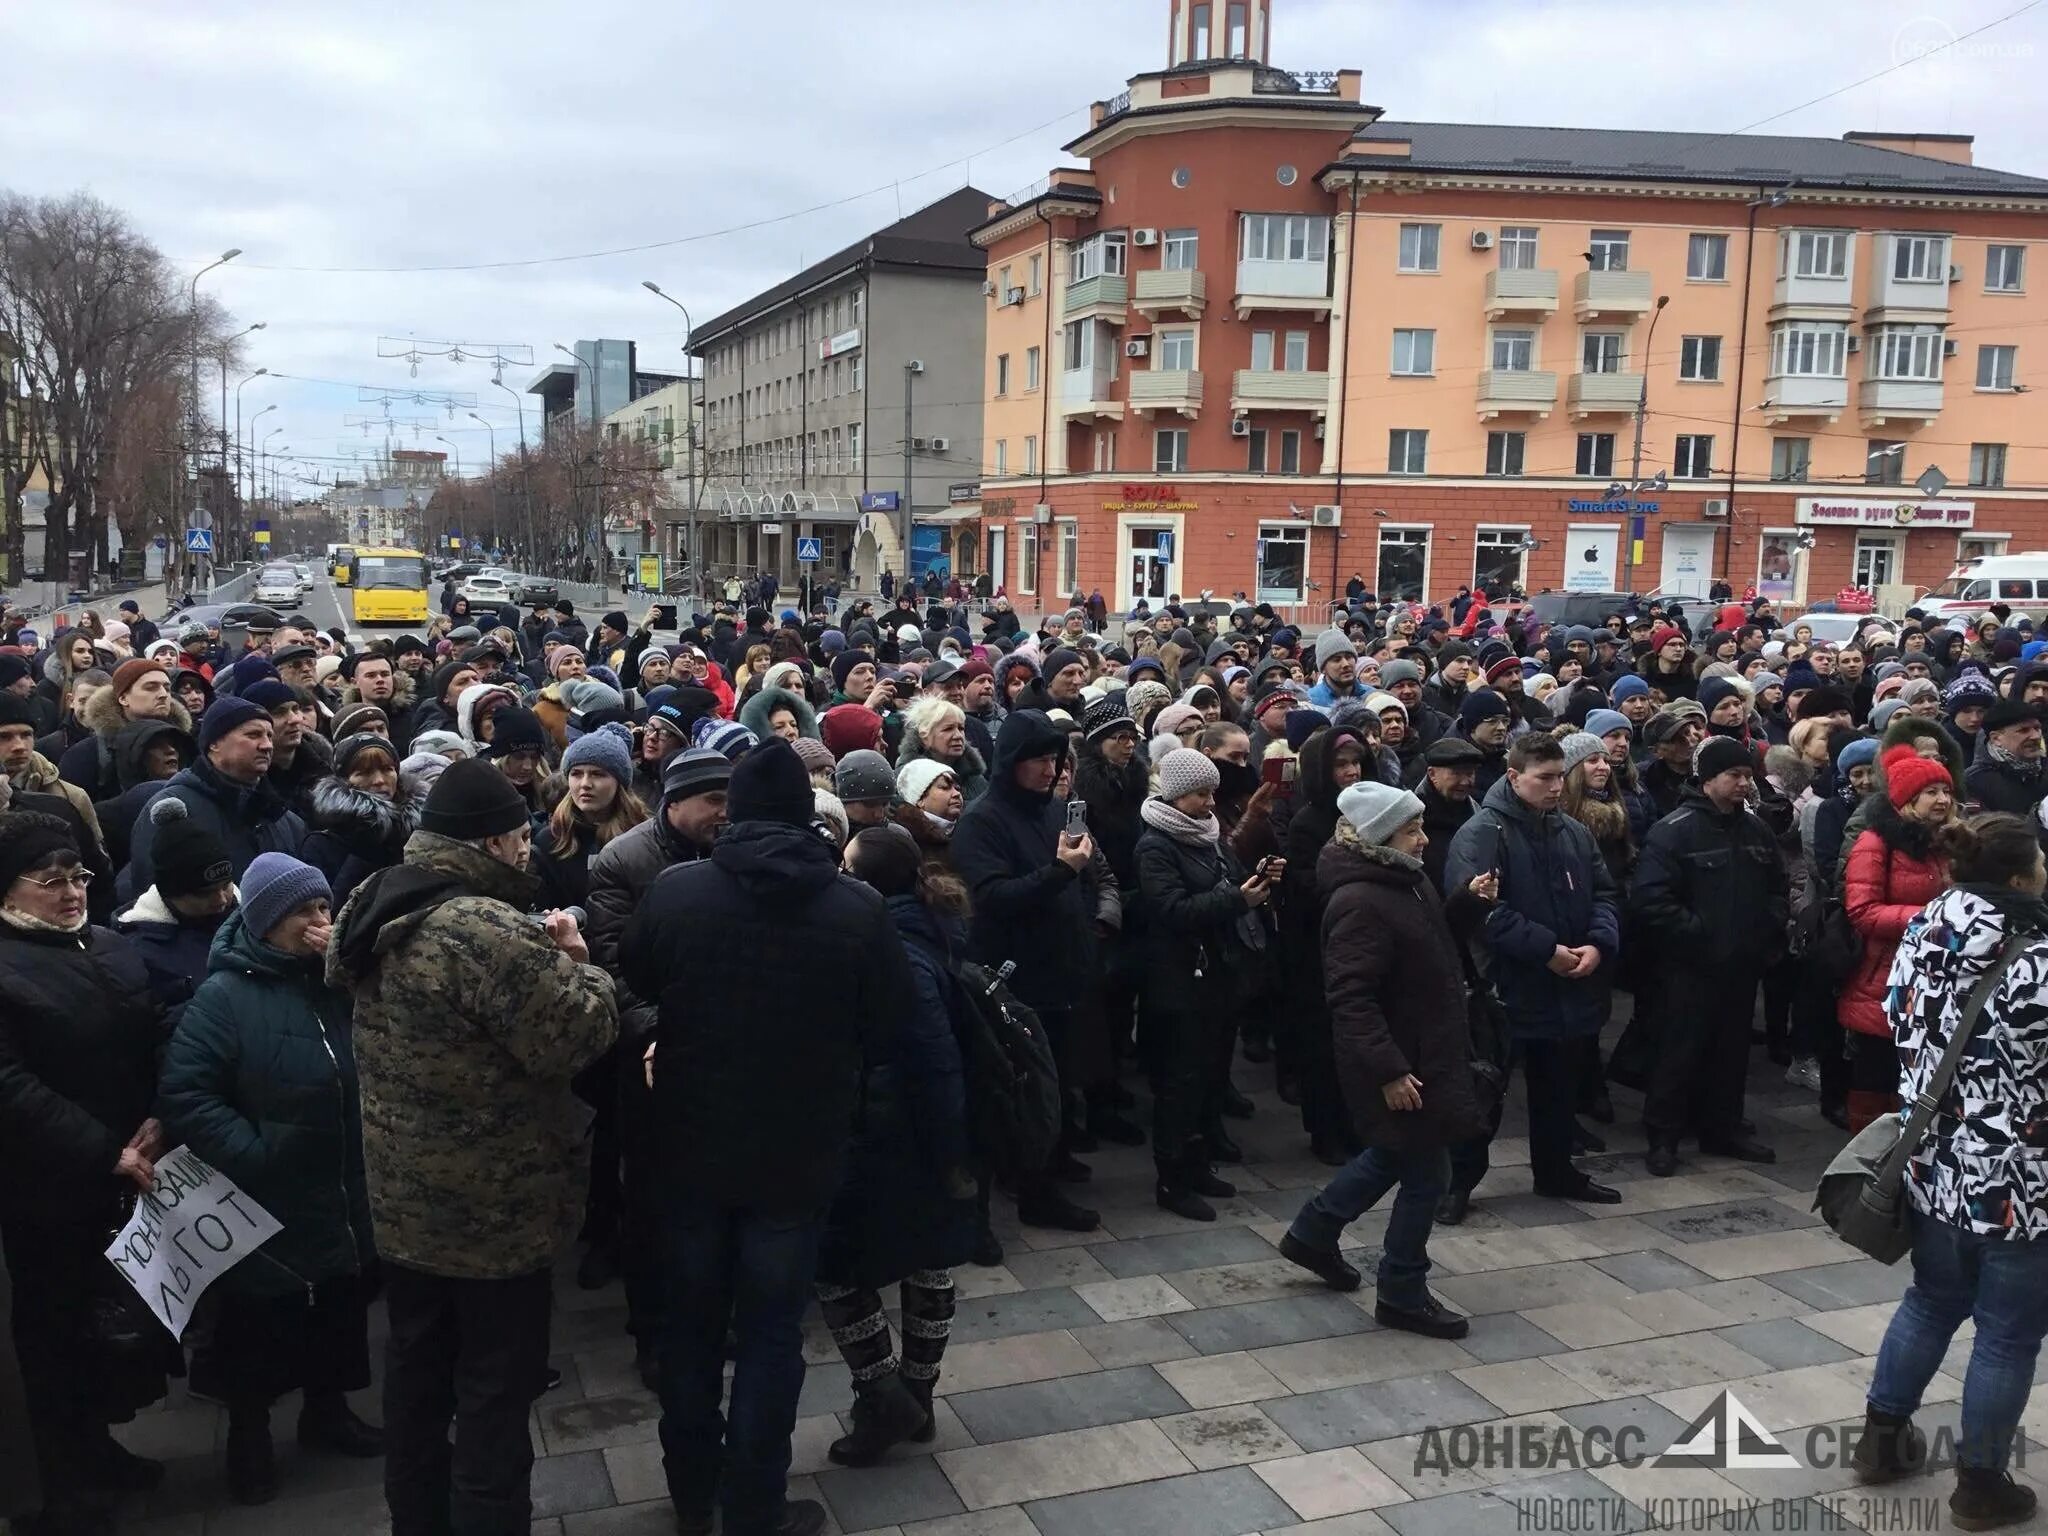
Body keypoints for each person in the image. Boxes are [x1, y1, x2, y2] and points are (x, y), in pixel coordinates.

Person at [620, 741, 907, 1536]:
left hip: (689, 1144)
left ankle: (691, 1493)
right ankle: (754, 1506)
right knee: (773, 1334)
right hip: (797, 1148)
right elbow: (889, 1024)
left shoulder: (679, 892)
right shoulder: (856, 908)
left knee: (692, 1326)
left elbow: (635, 978)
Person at [329, 759, 618, 1536]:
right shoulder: (481, 929)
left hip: (402, 1202)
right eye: (522, 838)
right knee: (496, 1392)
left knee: (416, 1379)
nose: (529, 851)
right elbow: (576, 1037)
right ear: (492, 841)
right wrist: (582, 968)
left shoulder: (373, 898)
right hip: (497, 1212)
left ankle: (416, 1521)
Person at [158, 854, 382, 1506]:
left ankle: (328, 1410)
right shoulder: (224, 997)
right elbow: (187, 1094)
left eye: (323, 908)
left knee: (340, 1302)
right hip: (266, 1195)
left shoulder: (338, 980)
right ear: (265, 922)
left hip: (340, 1183)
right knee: (259, 1323)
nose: (320, 921)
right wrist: (255, 1154)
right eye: (304, 912)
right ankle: (250, 1438)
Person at [1855, 813, 2048, 1528]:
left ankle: (1882, 1439)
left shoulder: (1927, 929)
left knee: (1932, 1299)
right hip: (2022, 1182)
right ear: (2020, 877)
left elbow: (1896, 1017)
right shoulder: (2037, 961)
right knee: (2007, 1333)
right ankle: (1980, 1484)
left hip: (1933, 1159)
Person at [0, 811, 173, 1533]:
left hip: (128, 1170)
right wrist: (106, 1149)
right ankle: (59, 1484)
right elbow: (9, 1084)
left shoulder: (104, 942)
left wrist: (164, 1115)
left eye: (77, 877)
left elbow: (157, 1028)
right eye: (51, 882)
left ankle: (100, 1447)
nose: (72, 892)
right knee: (54, 1337)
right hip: (49, 1188)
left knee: (109, 1331)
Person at [1277, 781, 1489, 1340]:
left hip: (1423, 1051)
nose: (1424, 839)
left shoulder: (1405, 879)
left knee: (1393, 1156)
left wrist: (1466, 904)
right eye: (1412, 829)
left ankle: (1313, 1233)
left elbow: (1432, 944)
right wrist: (1390, 1071)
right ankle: (1401, 1291)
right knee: (1428, 1172)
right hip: (1399, 1062)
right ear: (1381, 837)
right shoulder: (1359, 901)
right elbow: (1351, 998)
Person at [811, 826, 976, 1467]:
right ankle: (916, 1399)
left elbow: (931, 1059)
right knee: (925, 1260)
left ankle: (887, 1398)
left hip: (893, 1135)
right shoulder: (923, 926)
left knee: (837, 1267)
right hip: (917, 1135)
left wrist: (945, 1148)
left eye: (850, 866)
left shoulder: (897, 950)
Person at [1443, 734, 1623, 1209]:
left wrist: (1597, 944)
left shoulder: (1573, 832)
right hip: (1506, 987)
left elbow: (1604, 893)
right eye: (1544, 777)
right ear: (1513, 776)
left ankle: (1556, 1170)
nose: (1556, 786)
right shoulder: (1484, 833)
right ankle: (1457, 1184)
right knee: (1486, 1092)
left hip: (1567, 984)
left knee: (1559, 1089)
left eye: (1560, 775)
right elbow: (1481, 911)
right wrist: (1547, 950)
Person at [951, 709, 1102, 1231]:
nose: (1048, 770)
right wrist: (1061, 870)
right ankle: (1034, 1188)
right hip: (1018, 977)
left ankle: (1050, 1161)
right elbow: (992, 898)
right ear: (1010, 762)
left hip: (1065, 969)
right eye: (1037, 759)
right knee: (1030, 1085)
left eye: (1054, 759)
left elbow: (1081, 885)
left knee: (1061, 1077)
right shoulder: (981, 821)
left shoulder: (1056, 811)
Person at [1631, 737, 1789, 1177]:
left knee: (1731, 1051)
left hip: (1741, 965)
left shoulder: (1755, 829)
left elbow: (1777, 887)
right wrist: (1698, 934)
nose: (1743, 784)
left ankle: (1724, 1127)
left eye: (1746, 775)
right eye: (1733, 776)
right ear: (1707, 781)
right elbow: (1651, 899)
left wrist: (1765, 928)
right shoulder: (1675, 830)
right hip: (1690, 967)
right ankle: (1663, 1135)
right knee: (1678, 1051)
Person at [1138, 748, 1274, 1220]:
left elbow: (1229, 878)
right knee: (1180, 1080)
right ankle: (1170, 1178)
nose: (1209, 803)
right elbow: (1171, 910)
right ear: (1176, 796)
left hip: (1217, 974)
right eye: (1199, 794)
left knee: (1207, 1074)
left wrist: (1256, 880)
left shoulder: (1208, 835)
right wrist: (1235, 899)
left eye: (1212, 793)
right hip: (1179, 979)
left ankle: (1196, 1163)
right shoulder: (1155, 845)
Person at [1840, 746, 1956, 1130]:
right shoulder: (1877, 842)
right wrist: (1930, 919)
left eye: (1946, 791)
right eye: (1931, 792)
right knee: (1877, 1073)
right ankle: (1867, 1164)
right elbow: (1862, 910)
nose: (1942, 800)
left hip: (1937, 975)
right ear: (1907, 799)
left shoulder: (1950, 842)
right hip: (1885, 978)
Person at [126, 696, 306, 895]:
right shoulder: (171, 810)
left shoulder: (285, 820)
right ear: (214, 744)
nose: (267, 745)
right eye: (254, 735)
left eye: (269, 736)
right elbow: (151, 893)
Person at [113, 796, 238, 1027]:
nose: (221, 899)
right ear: (171, 894)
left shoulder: (250, 919)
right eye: (204, 894)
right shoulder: (139, 950)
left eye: (226, 886)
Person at [301, 733, 421, 907]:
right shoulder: (321, 845)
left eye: (388, 769)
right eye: (364, 773)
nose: (379, 780)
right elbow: (324, 911)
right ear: (344, 781)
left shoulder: (418, 830)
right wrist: (363, 851)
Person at [1966, 698, 2047, 819]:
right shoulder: (1973, 781)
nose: (2035, 736)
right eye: (2024, 730)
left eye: (2037, 728)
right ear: (1996, 738)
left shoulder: (2044, 772)